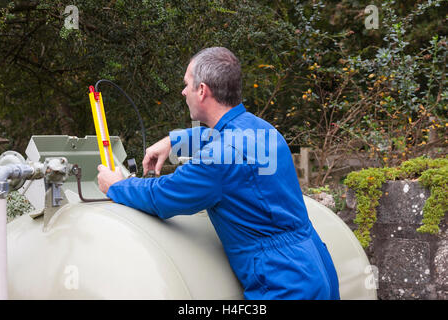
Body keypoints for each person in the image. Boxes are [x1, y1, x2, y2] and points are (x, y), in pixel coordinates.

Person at [97, 47, 340, 300]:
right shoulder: (264, 130)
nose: (183, 92)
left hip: (284, 283)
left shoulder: (216, 161)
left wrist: (117, 185)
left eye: (186, 84)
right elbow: (222, 137)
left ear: (202, 90)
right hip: (315, 267)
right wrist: (174, 141)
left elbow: (162, 195)